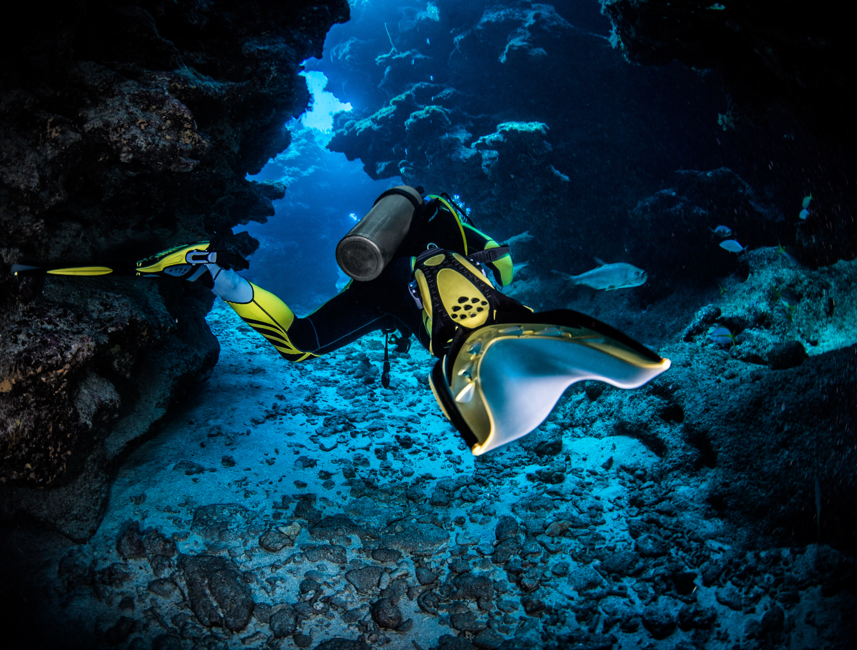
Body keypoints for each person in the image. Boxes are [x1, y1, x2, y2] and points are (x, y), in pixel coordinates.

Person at [115, 186, 672, 454]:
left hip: (385, 282)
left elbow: (497, 257)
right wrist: (483, 264)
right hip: (447, 260)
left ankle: (219, 277)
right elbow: (500, 258)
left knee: (299, 342)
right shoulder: (450, 223)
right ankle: (221, 278)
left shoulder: (391, 264)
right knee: (499, 294)